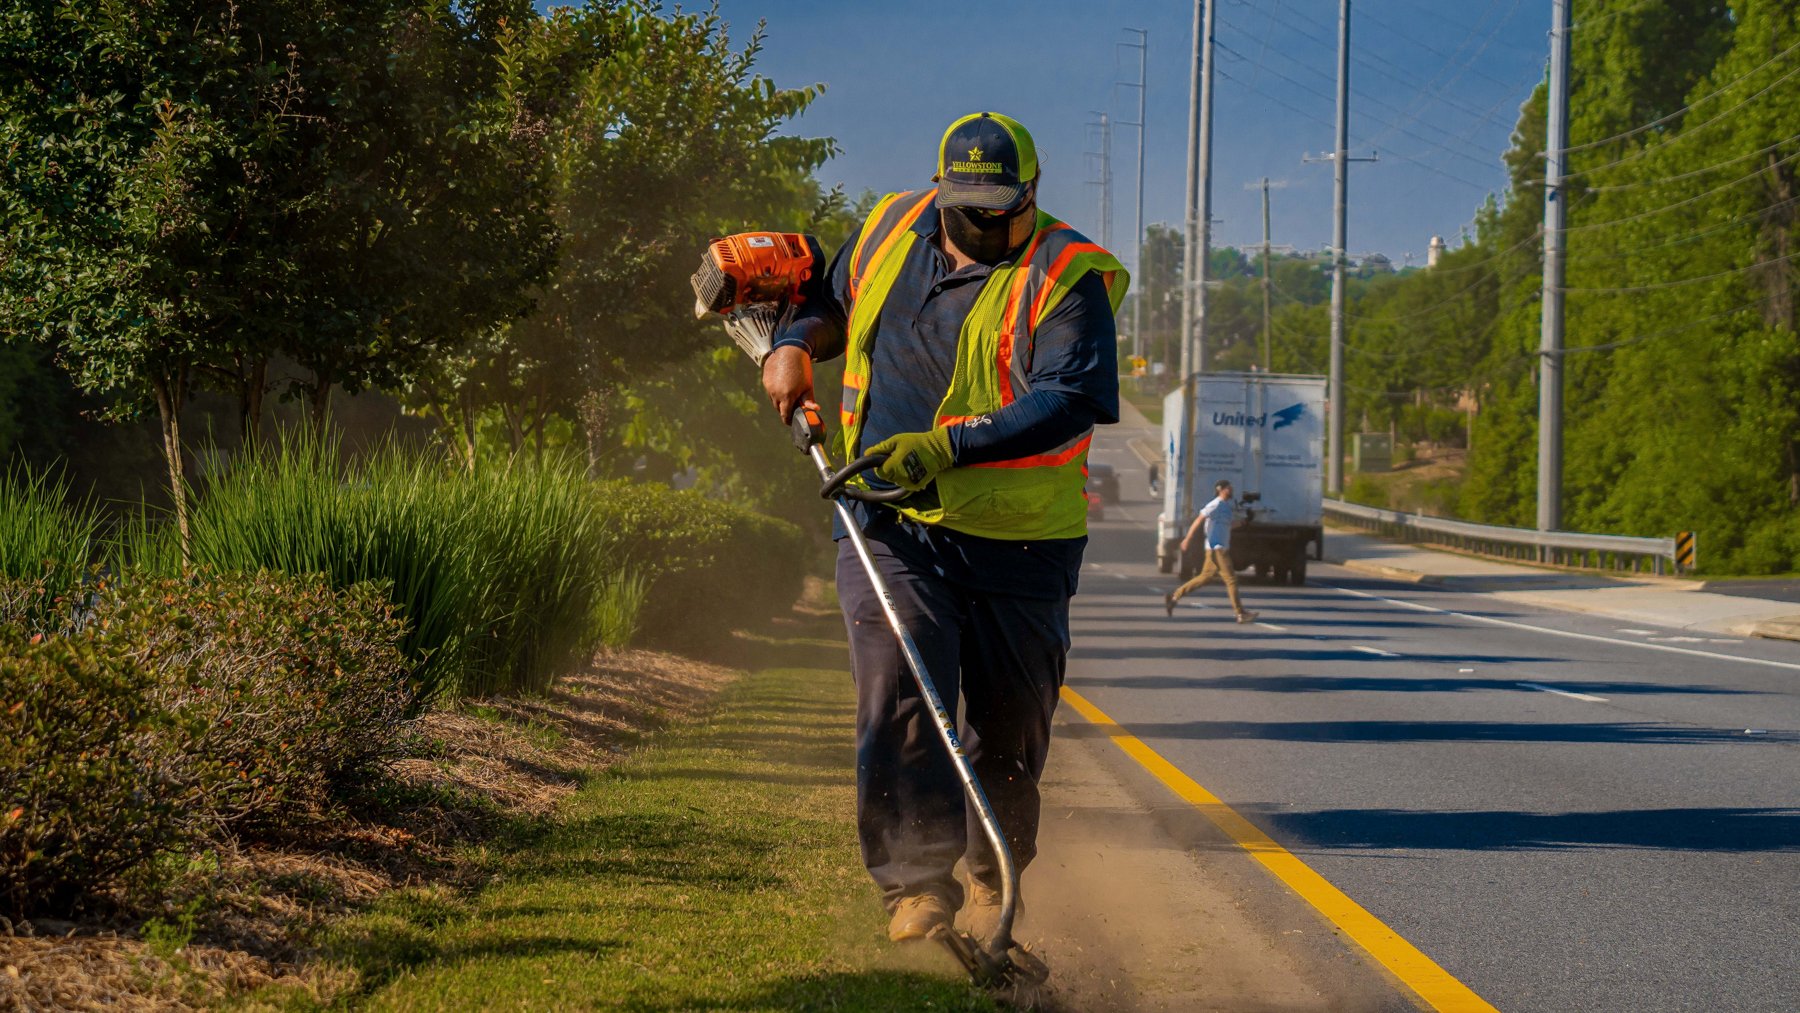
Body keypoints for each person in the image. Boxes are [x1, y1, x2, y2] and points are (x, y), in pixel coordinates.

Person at [760, 112, 1128, 944]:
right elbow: (829, 298)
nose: (991, 223)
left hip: (1021, 542)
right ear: (941, 192)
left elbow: (1070, 398)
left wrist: (945, 445)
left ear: (1031, 195)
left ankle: (997, 875)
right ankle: (916, 882)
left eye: (1007, 207)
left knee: (1009, 723)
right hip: (889, 521)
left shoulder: (1068, 276)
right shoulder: (891, 226)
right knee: (898, 685)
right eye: (973, 208)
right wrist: (791, 344)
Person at [1164, 479, 1258, 623]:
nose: (1231, 490)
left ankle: (1174, 597)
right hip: (1217, 549)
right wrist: (1187, 539)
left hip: (1216, 549)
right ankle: (1240, 614)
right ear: (1221, 490)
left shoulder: (1225, 506)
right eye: (1228, 488)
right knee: (1231, 580)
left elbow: (1228, 526)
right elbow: (1199, 519)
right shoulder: (1215, 504)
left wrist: (1246, 522)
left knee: (1205, 577)